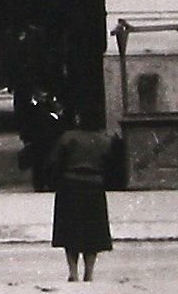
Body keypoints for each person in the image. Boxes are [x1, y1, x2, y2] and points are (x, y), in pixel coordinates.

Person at [38, 105, 124, 281]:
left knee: (70, 232)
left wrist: (55, 181)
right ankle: (89, 273)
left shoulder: (68, 138)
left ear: (79, 119)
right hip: (94, 187)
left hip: (70, 187)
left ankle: (73, 272)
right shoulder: (105, 140)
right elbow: (114, 167)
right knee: (93, 232)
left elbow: (54, 162)